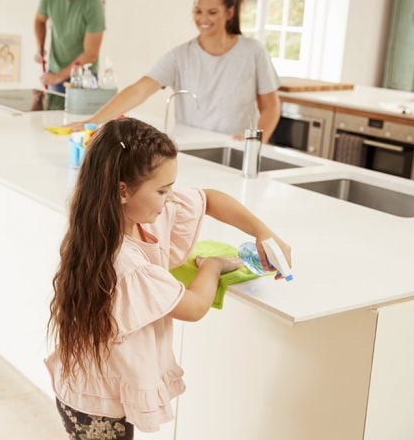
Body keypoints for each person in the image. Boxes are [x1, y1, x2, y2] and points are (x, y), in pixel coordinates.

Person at [46, 118, 291, 437]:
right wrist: (213, 265)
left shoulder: (116, 218)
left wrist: (265, 234)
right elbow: (193, 307)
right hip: (98, 407)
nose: (170, 198)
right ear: (123, 190)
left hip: (89, 389)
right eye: (163, 190)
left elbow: (210, 199)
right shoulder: (124, 263)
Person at [75, 0, 281, 142]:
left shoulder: (253, 52)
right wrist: (91, 123)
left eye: (212, 12)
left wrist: (255, 143)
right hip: (190, 149)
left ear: (229, 13)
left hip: (234, 150)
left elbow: (270, 106)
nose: (203, 19)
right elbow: (138, 91)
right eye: (198, 11)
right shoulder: (180, 56)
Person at [34, 0, 105, 109]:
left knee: (83, 126)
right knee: (53, 125)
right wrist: (40, 47)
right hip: (55, 71)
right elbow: (39, 20)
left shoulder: (93, 5)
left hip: (84, 78)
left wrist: (59, 76)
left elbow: (90, 54)